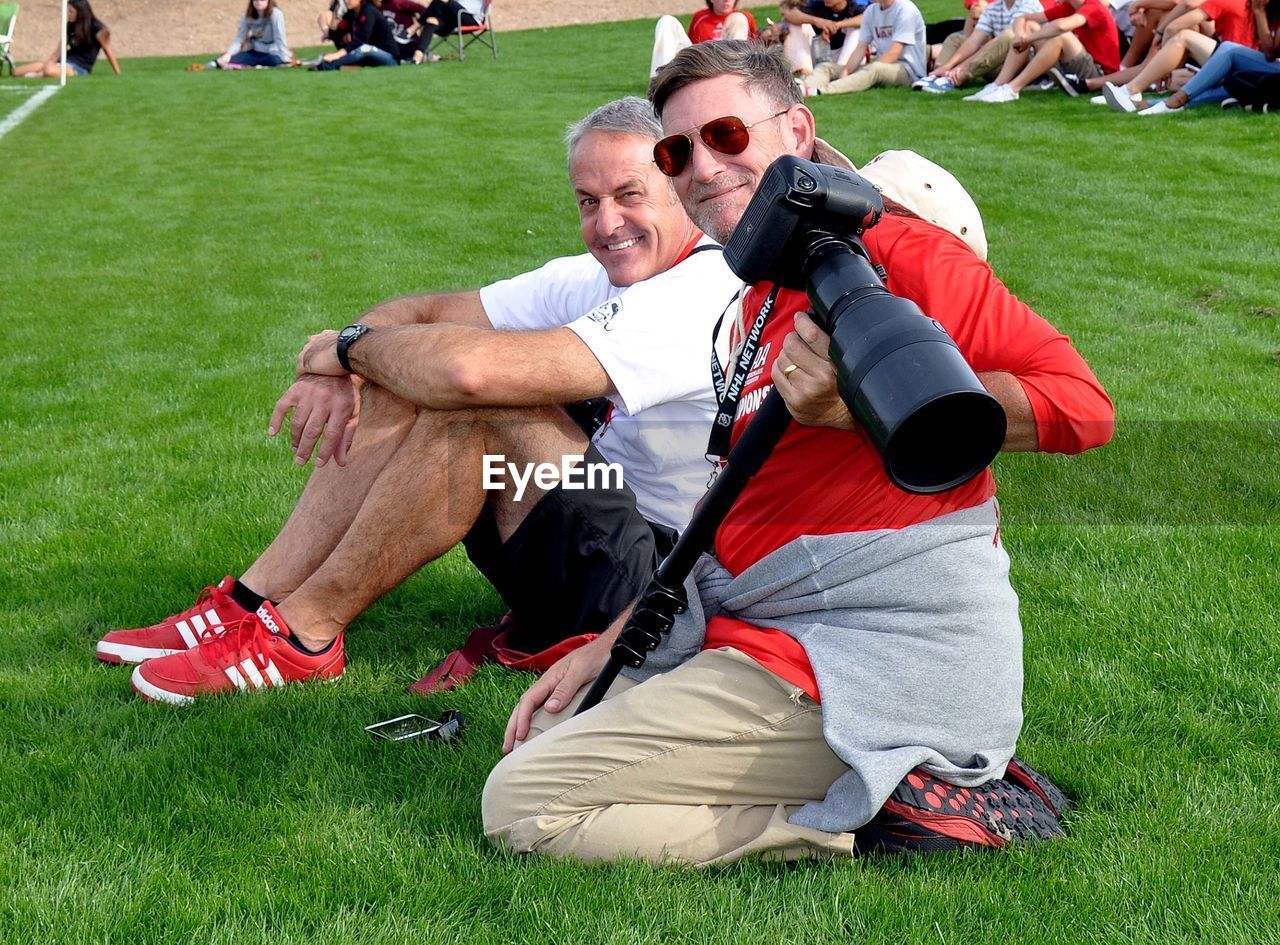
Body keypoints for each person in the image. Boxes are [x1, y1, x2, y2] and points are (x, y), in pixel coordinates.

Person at [483, 40, 1115, 866]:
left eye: (728, 135)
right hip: (767, 628)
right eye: (678, 151)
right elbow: (741, 506)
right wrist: (619, 639)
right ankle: (877, 781)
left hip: (866, 656)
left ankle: (868, 818)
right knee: (558, 726)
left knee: (524, 805)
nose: (703, 167)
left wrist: (868, 406)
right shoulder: (757, 292)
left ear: (799, 129)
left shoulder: (900, 257)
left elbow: (1082, 405)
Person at [99, 97, 747, 706]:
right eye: (588, 201)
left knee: (473, 405)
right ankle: (250, 599)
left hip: (657, 585)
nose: (606, 224)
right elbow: (424, 312)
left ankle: (304, 633)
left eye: (628, 196)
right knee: (402, 368)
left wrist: (349, 349)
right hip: (578, 535)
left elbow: (465, 373)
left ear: (677, 188)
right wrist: (354, 359)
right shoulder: (595, 274)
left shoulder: (703, 289)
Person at [1101, 0, 1259, 109]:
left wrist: (1162, 37)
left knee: (1183, 37)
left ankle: (1130, 89)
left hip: (1240, 67)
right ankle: (1131, 87)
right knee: (1183, 32)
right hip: (1247, 63)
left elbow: (1181, 10)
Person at [965, 0, 1121, 101]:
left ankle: (1013, 89)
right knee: (1030, 27)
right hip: (1077, 65)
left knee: (1061, 36)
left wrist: (1027, 40)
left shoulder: (1094, 6)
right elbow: (1023, 18)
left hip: (1099, 73)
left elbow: (1061, 26)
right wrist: (1020, 35)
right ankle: (999, 85)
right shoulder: (1069, 7)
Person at [804, 0, 928, 95]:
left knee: (875, 69)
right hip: (881, 66)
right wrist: (846, 71)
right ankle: (803, 88)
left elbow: (894, 53)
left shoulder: (905, 9)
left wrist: (864, 71)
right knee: (826, 67)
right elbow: (860, 48)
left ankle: (821, 91)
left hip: (908, 71)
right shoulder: (871, 11)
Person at [915, 0, 1042, 92]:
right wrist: (948, 66)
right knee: (956, 39)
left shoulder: (1029, 4)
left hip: (1021, 64)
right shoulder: (994, 7)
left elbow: (1005, 39)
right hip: (997, 61)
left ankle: (955, 77)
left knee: (1008, 37)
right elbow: (974, 40)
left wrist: (961, 67)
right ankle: (939, 75)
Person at [15, 0, 120, 78]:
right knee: (17, 72)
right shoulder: (70, 26)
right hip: (63, 61)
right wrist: (50, 62)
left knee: (49, 70)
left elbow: (108, 50)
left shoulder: (98, 29)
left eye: (71, 11)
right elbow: (60, 49)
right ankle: (41, 73)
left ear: (80, 12)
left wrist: (117, 73)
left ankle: (40, 75)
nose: (68, 14)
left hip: (79, 67)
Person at [652, 0, 758, 78]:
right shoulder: (700, 17)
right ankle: (659, 80)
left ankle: (735, 77)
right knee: (667, 20)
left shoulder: (745, 17)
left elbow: (754, 50)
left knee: (738, 17)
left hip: (728, 61)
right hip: (701, 62)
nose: (727, 0)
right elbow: (692, 47)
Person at [781, 0, 868, 76]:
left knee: (857, 29)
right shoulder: (819, 6)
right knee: (795, 26)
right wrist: (818, 21)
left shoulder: (853, 7)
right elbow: (789, 14)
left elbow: (866, 17)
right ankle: (805, 72)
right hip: (820, 52)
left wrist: (837, 25)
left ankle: (841, 71)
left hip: (845, 58)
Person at [314, 0, 404, 68]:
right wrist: (335, 12)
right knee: (359, 51)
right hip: (367, 54)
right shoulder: (351, 14)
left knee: (363, 48)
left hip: (390, 58)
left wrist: (336, 55)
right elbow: (334, 35)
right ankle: (332, 64)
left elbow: (361, 40)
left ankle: (326, 66)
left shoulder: (369, 11)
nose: (347, 0)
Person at [217, 0, 291, 69]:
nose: (258, 2)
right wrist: (228, 54)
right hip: (255, 51)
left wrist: (286, 58)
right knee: (232, 61)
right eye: (255, 0)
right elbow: (240, 38)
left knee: (275, 61)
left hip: (272, 52)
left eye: (262, 0)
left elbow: (279, 38)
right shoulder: (247, 15)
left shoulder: (276, 14)